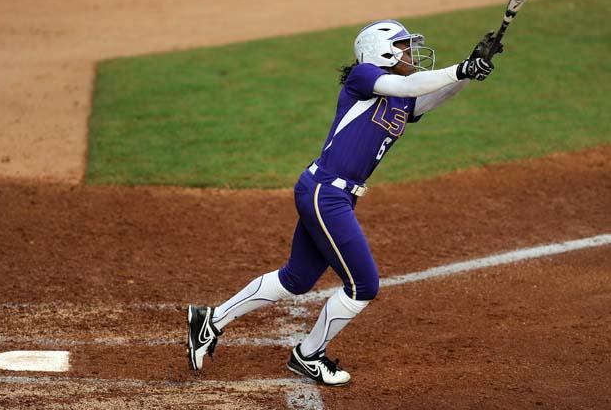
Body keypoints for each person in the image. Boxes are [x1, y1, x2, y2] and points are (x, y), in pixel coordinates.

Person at [187, 20, 501, 386]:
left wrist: (469, 70)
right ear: (380, 50)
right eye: (403, 45)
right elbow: (410, 84)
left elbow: (429, 96)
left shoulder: (399, 96)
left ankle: (210, 320)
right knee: (364, 285)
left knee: (297, 278)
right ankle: (308, 355)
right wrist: (458, 68)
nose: (411, 52)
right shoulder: (365, 76)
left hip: (328, 193)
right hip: (327, 194)